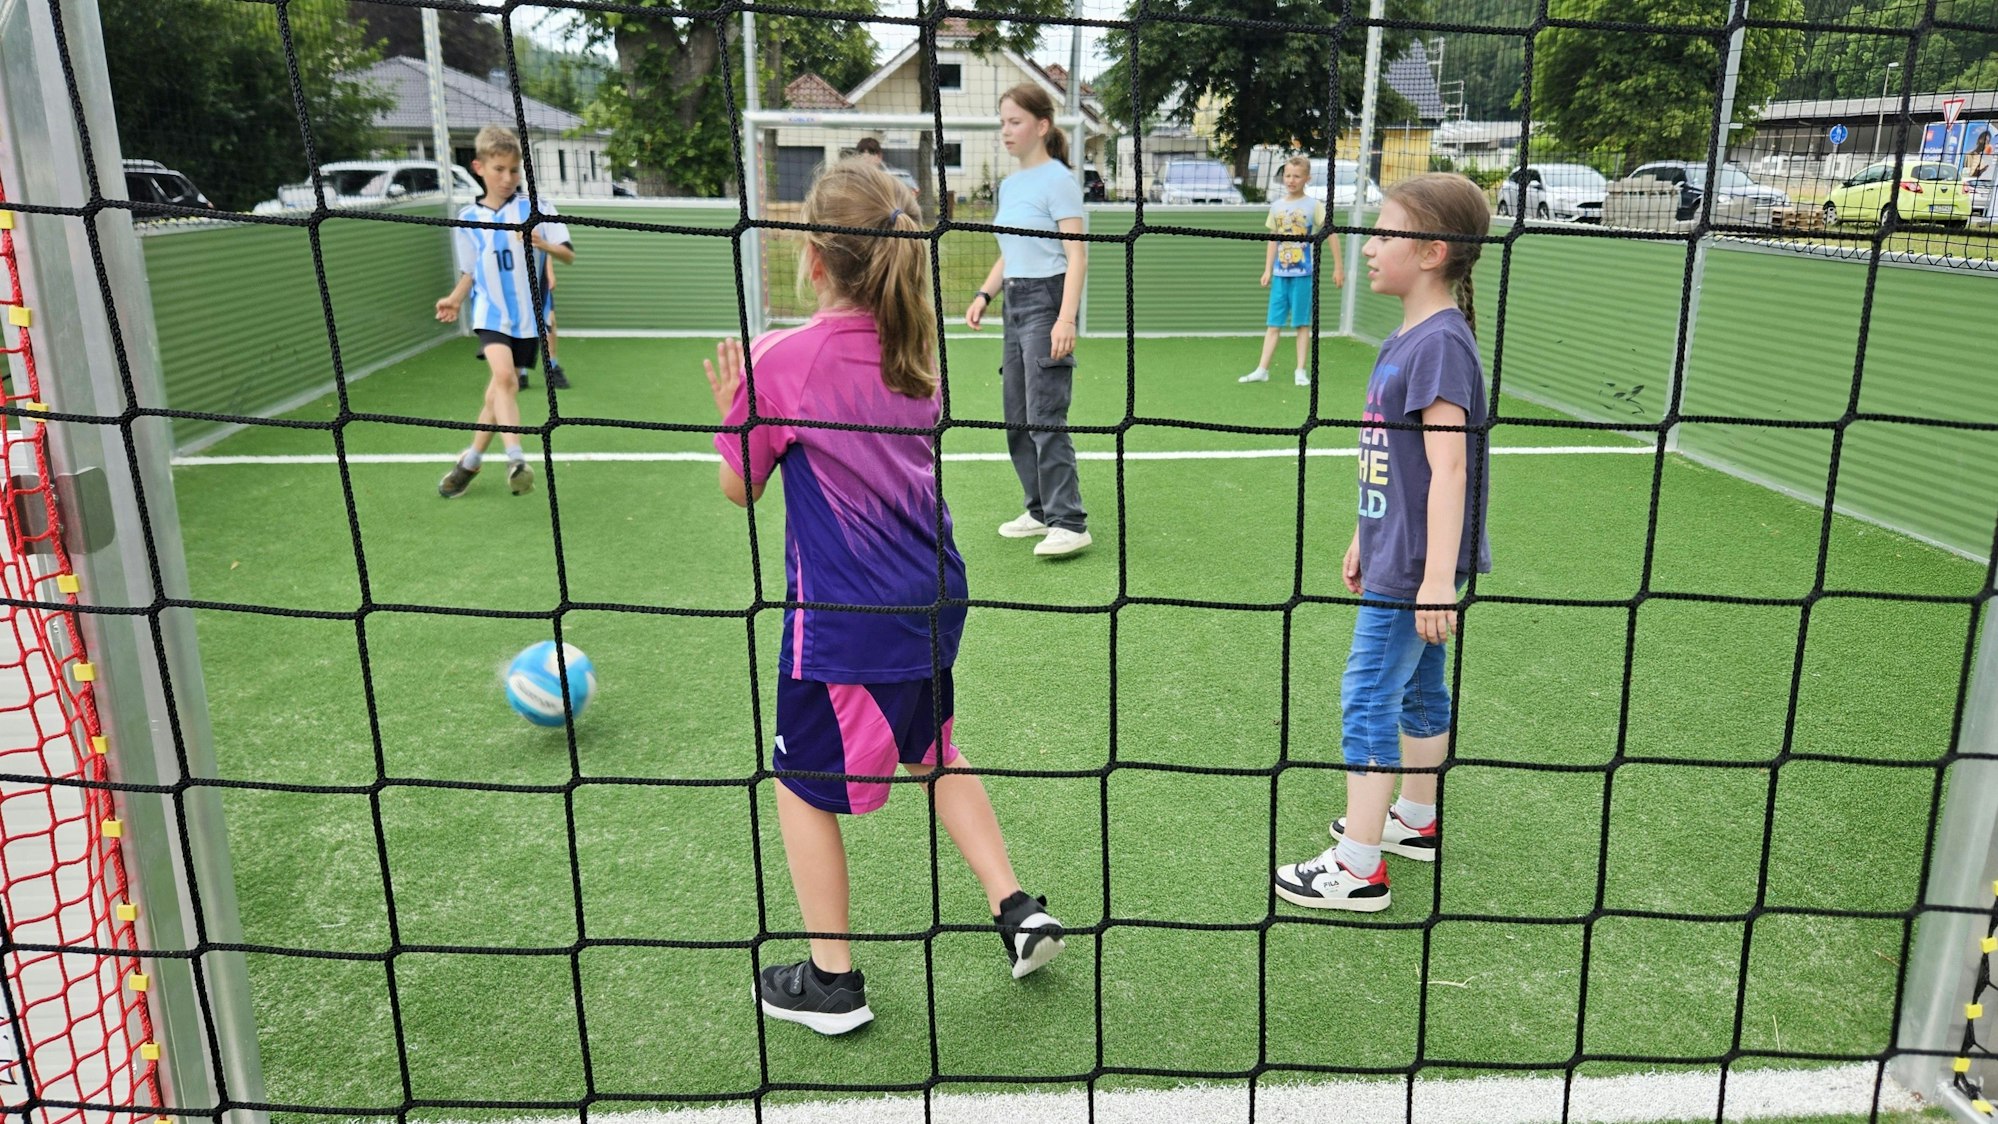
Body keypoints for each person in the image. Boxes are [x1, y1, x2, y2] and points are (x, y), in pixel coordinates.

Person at [705, 158, 1065, 1036]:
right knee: (935, 751)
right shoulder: (915, 349)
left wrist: (734, 412)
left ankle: (831, 982)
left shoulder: (780, 360)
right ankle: (1018, 908)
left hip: (845, 622)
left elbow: (739, 488)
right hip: (936, 601)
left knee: (798, 782)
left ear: (813, 258)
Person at [1273, 173, 1494, 913]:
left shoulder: (1438, 345)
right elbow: (1394, 464)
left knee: (1368, 696)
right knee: (1421, 690)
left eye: (1387, 234)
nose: (1369, 247)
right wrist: (1363, 535)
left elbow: (1450, 465)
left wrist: (1435, 578)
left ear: (1433, 252)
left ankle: (1358, 867)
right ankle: (1416, 821)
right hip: (1397, 552)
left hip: (1415, 569)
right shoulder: (1410, 335)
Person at [966, 83, 1091, 558]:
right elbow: (1010, 251)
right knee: (1017, 418)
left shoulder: (1059, 180)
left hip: (1047, 301)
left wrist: (1066, 319)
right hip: (1014, 303)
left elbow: (1077, 257)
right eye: (1003, 122)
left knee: (1045, 416)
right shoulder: (1011, 185)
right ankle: (1039, 511)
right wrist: (984, 293)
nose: (1005, 131)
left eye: (1014, 121)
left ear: (1042, 126)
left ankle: (1070, 521)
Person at [434, 125, 575, 498]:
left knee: (496, 393)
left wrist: (541, 241)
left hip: (529, 320)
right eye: (499, 169)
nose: (508, 178)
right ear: (479, 167)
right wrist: (455, 298)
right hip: (491, 315)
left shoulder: (536, 208)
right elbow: (471, 271)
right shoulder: (467, 218)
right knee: (506, 380)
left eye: (514, 170)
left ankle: (470, 462)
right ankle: (516, 459)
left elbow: (569, 254)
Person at [1241, 154, 1343, 386]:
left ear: (1307, 178)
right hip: (1280, 275)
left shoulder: (1313, 206)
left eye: (1297, 176)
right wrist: (1267, 269)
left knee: (1302, 324)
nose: (1291, 180)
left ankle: (1300, 371)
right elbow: (1273, 240)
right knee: (1273, 324)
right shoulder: (1276, 207)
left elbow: (1331, 233)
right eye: (1288, 175)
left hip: (1303, 275)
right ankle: (1262, 369)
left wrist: (1338, 267)